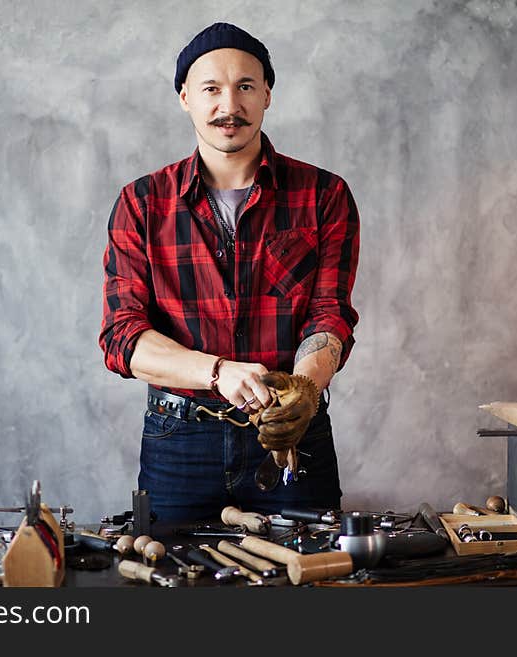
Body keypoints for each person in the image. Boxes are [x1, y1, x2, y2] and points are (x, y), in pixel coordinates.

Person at [99, 22, 360, 522]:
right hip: (179, 442)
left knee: (308, 585)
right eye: (211, 89)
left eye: (245, 86)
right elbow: (122, 336)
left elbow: (329, 314)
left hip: (292, 437)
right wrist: (216, 373)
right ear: (185, 98)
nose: (229, 105)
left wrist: (301, 393)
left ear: (267, 95)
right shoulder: (141, 203)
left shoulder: (324, 195)